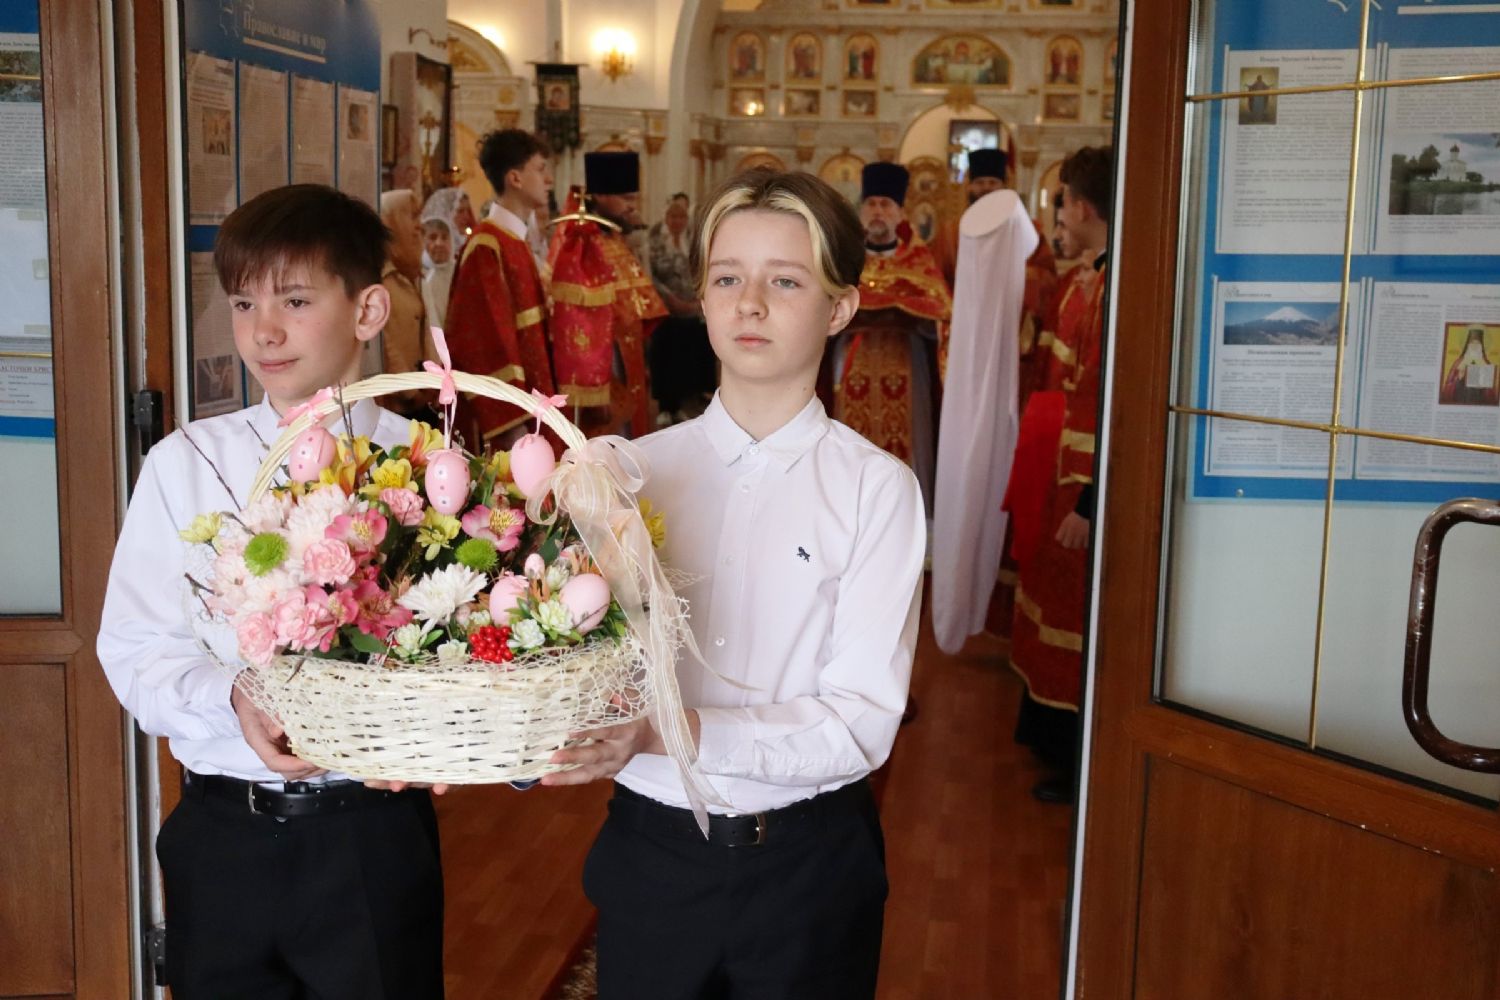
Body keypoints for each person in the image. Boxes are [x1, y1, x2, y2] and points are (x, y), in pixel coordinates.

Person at [544, 167, 925, 1000]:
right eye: (726, 279)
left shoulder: (875, 489)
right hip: (652, 855)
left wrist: (669, 731)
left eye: (784, 281)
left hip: (808, 869)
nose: (748, 304)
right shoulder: (629, 475)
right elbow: (567, 656)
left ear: (840, 308)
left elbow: (859, 724)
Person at [96, 184, 445, 999]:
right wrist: (234, 700)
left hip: (369, 836)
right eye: (243, 302)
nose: (264, 331)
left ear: (366, 311)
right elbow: (136, 651)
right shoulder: (187, 464)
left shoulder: (432, 467)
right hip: (224, 837)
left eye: (295, 299)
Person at [1005, 146, 1113, 805]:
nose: (1059, 220)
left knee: (1077, 617)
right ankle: (1052, 742)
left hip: (1084, 485)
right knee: (1052, 601)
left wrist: (1090, 502)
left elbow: (1112, 407)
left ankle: (1081, 763)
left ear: (1083, 205)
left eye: (1063, 204)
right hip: (1059, 475)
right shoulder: (1083, 281)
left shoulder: (1115, 290)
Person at [826, 161, 952, 510]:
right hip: (851, 361)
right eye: (871, 204)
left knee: (908, 438)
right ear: (861, 211)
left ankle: (905, 514)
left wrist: (911, 315)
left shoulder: (919, 261)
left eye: (886, 204)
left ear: (900, 213)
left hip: (905, 364)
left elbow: (943, 312)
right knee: (849, 439)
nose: (878, 211)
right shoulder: (844, 259)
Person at [443, 128, 557, 444]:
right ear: (515, 178)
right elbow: (483, 340)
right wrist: (512, 425)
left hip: (534, 402)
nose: (548, 180)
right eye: (540, 169)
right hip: (512, 424)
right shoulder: (487, 245)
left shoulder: (515, 242)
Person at [548, 150, 668, 437]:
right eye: (625, 198)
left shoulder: (612, 234)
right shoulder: (581, 240)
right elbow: (577, 318)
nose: (632, 206)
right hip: (603, 361)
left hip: (627, 351)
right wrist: (595, 383)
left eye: (634, 198)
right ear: (601, 195)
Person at [647, 192, 717, 423]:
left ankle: (682, 406)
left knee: (687, 357)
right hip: (666, 310)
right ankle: (665, 407)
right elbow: (651, 275)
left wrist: (697, 300)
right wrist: (670, 299)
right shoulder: (655, 240)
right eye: (673, 217)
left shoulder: (693, 240)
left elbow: (702, 270)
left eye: (681, 217)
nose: (677, 221)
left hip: (691, 308)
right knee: (665, 357)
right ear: (666, 218)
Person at [379, 189, 432, 407]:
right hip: (398, 401)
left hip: (421, 392)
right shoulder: (380, 278)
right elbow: (384, 343)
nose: (419, 226)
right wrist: (410, 392)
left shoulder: (411, 273)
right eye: (412, 217)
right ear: (392, 223)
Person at [1442, 326, 1498, 405]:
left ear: (1481, 346)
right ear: (1468, 345)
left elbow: (1490, 389)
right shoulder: (1459, 361)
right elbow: (1449, 383)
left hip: (1479, 397)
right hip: (1462, 396)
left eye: (1477, 343)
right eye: (1472, 343)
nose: (1474, 346)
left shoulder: (1485, 362)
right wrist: (1459, 377)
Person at [420, 213, 457, 329]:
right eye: (432, 238)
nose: (439, 243)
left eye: (444, 237)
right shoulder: (421, 280)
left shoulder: (461, 271)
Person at [422, 184, 476, 251]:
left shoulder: (470, 242)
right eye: (460, 211)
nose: (467, 216)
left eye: (468, 211)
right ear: (446, 214)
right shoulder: (435, 249)